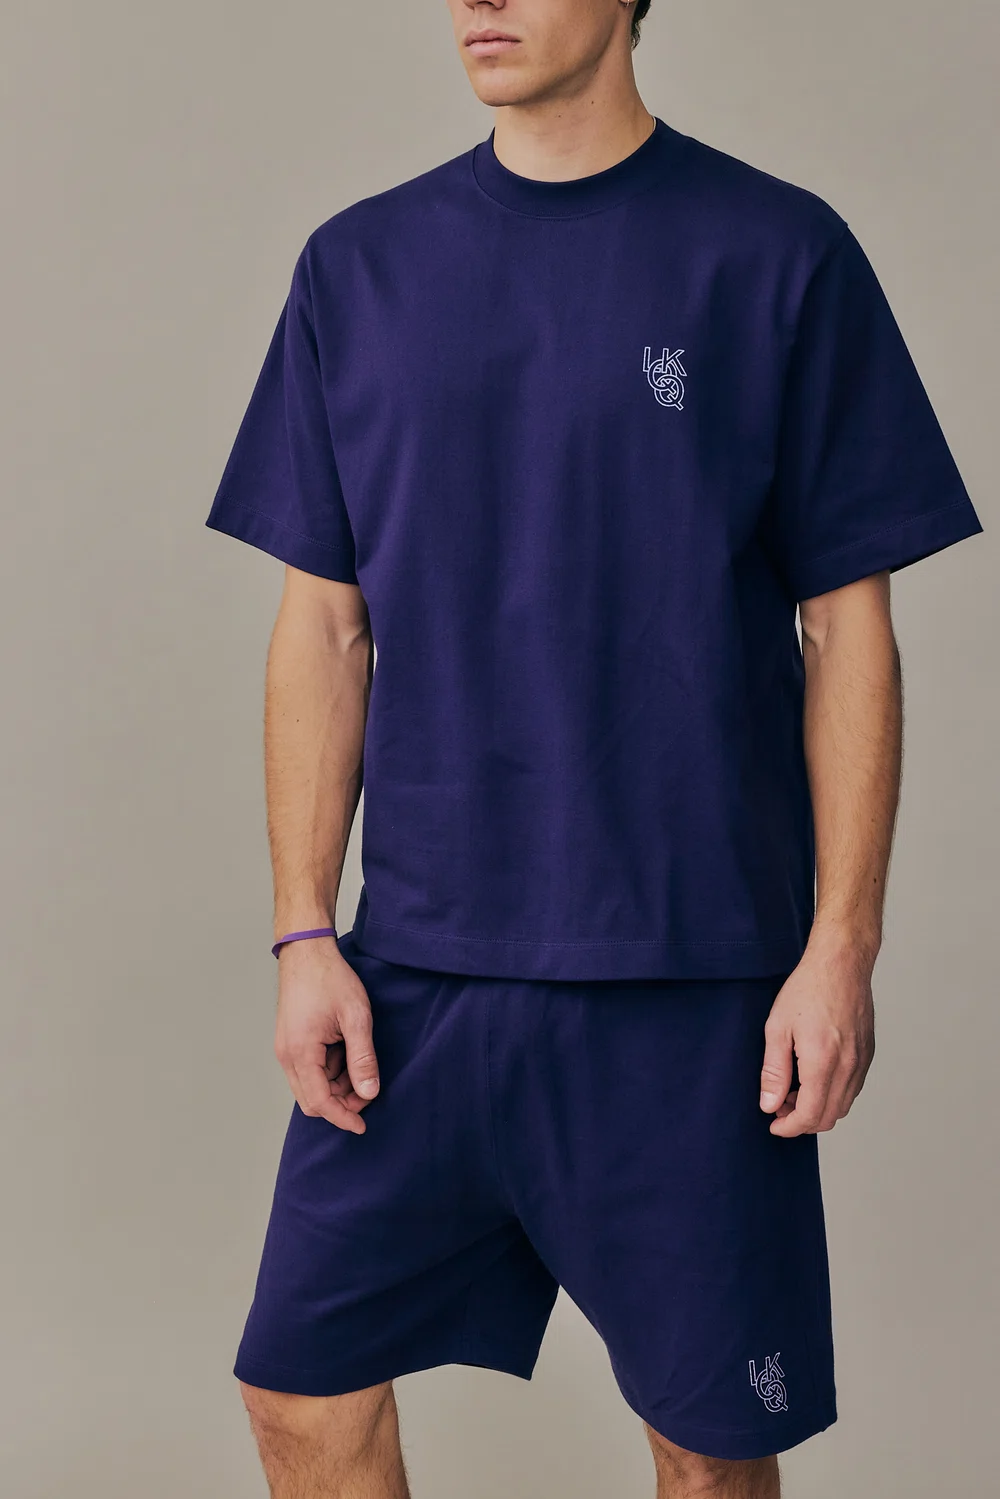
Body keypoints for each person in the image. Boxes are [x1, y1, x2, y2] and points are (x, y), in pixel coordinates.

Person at [204, 2, 983, 1494]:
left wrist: (841, 949)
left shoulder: (778, 253)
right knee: (297, 1395)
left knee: (709, 1457)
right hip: (416, 979)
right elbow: (324, 629)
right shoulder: (357, 267)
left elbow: (849, 634)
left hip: (691, 981)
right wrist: (305, 932)